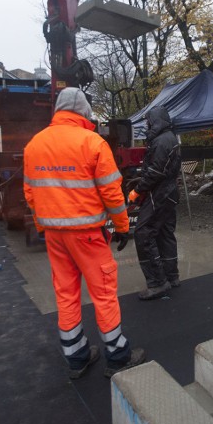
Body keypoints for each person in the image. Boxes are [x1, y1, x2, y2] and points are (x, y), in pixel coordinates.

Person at [23, 87, 145, 379]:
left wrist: (45, 224)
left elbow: (30, 193)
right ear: (85, 113)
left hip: (54, 235)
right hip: (88, 234)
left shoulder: (34, 145)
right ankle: (117, 355)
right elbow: (113, 195)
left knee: (66, 293)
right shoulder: (93, 143)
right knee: (103, 293)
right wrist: (121, 227)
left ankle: (76, 356)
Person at [128, 106, 182, 300]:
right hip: (169, 193)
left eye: (149, 121)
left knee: (144, 233)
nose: (147, 125)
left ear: (155, 120)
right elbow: (160, 169)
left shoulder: (161, 141)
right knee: (165, 233)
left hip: (159, 194)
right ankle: (171, 275)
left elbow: (155, 172)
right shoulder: (170, 138)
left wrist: (137, 190)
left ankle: (157, 283)